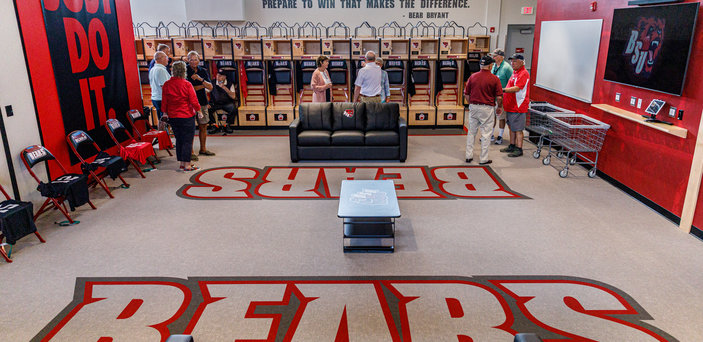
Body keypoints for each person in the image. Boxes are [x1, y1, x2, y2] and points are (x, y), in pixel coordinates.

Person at [161, 61, 201, 172]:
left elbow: (164, 102)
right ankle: (187, 165)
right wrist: (199, 110)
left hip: (173, 116)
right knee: (188, 140)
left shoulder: (167, 84)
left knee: (179, 140)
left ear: (172, 71)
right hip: (186, 115)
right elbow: (193, 100)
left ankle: (182, 164)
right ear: (184, 71)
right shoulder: (187, 84)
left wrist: (164, 113)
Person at [463, 56, 503, 165]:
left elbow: (466, 93)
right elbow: (499, 97)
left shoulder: (473, 77)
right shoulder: (495, 79)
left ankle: (468, 155)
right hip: (487, 108)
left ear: (480, 65)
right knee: (486, 134)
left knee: (471, 132)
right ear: (490, 66)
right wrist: (499, 107)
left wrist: (471, 103)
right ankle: (483, 158)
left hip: (474, 106)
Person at [186, 51, 215, 158]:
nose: (193, 62)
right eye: (191, 59)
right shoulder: (185, 71)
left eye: (195, 59)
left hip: (202, 102)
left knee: (203, 126)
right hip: (189, 104)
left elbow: (211, 87)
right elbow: (189, 89)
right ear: (188, 60)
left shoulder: (203, 71)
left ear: (199, 60)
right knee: (190, 128)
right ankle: (191, 152)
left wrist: (200, 79)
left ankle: (203, 149)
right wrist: (203, 86)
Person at [501, 54, 530, 158]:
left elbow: (517, 88)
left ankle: (519, 148)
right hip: (510, 105)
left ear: (522, 62)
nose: (512, 63)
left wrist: (502, 90)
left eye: (515, 61)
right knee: (511, 127)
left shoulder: (524, 73)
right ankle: (512, 145)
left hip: (518, 106)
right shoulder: (515, 72)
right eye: (511, 61)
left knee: (518, 129)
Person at [489, 49, 513, 145]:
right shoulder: (493, 66)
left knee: (501, 117)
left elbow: (512, 83)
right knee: (492, 117)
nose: (493, 57)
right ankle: (491, 134)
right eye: (493, 56)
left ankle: (500, 135)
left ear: (501, 57)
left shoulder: (507, 68)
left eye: (495, 56)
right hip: (492, 97)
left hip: (502, 97)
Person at [208, 69, 238, 134]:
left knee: (233, 109)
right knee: (207, 109)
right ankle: (214, 125)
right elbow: (205, 92)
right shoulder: (212, 83)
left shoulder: (230, 84)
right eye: (217, 75)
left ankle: (227, 125)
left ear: (225, 77)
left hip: (226, 103)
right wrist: (206, 103)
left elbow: (233, 97)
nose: (218, 77)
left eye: (221, 76)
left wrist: (224, 88)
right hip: (215, 103)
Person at [148, 51, 170, 120]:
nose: (168, 59)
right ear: (161, 58)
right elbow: (164, 87)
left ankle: (162, 131)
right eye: (166, 57)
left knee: (161, 119)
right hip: (162, 99)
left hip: (155, 98)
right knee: (165, 121)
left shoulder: (153, 69)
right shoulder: (161, 70)